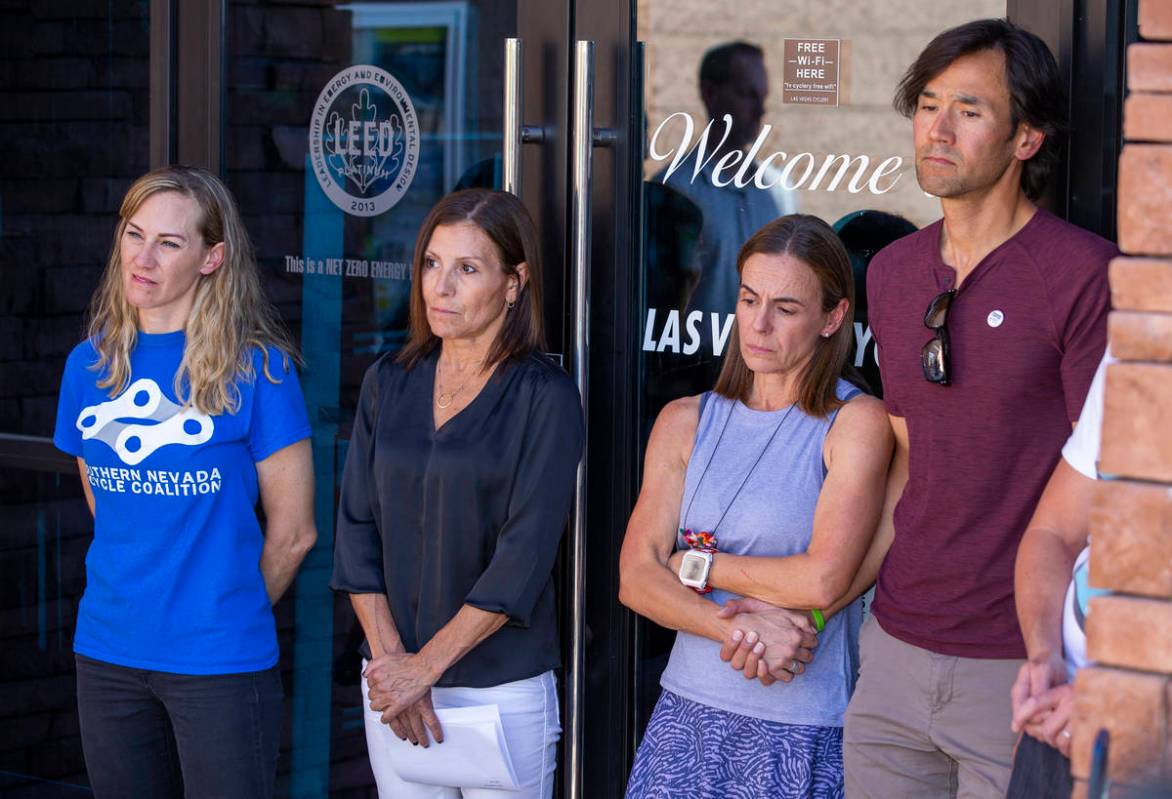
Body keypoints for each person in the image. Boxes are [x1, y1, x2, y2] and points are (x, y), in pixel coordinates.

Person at [840, 19, 1117, 797]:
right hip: (894, 648)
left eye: (969, 108)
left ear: (1027, 138)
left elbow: (1110, 492)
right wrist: (842, 600)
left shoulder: (1085, 276)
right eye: (927, 105)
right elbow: (909, 463)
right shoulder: (893, 272)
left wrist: (1069, 660)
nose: (937, 127)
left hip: (1020, 664)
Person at [53, 165, 316, 799]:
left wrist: (219, 606)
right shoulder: (89, 365)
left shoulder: (260, 371)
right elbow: (105, 505)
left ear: (211, 257)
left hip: (219, 663)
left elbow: (294, 535)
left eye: (169, 242)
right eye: (134, 234)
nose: (142, 258)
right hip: (108, 654)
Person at [619, 214, 893, 798]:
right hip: (684, 720)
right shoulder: (684, 420)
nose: (759, 324)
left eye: (786, 308)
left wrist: (693, 566)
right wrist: (740, 633)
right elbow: (635, 578)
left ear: (833, 317)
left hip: (802, 726)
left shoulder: (854, 422)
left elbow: (823, 579)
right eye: (748, 299)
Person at [331, 189, 583, 799]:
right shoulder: (389, 381)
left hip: (499, 691)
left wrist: (425, 668)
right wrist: (394, 667)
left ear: (514, 282)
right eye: (431, 264)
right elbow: (356, 530)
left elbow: (521, 560)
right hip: (392, 684)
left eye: (467, 269)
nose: (441, 286)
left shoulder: (544, 397)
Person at [1007, 351, 1114, 798]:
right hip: (1062, 717)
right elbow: (1054, 533)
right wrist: (1044, 654)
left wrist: (1122, 697)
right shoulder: (1139, 349)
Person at [655, 41, 798, 319]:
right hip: (695, 359)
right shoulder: (677, 188)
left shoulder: (775, 189)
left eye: (762, 97)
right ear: (711, 94)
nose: (760, 111)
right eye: (747, 94)